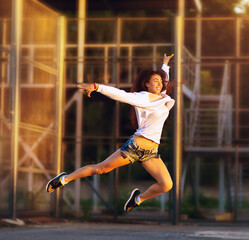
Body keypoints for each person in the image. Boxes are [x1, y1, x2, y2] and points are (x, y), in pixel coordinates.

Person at [46, 53, 175, 212]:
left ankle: (138, 199)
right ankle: (64, 179)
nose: (160, 83)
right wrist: (97, 86)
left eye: (161, 82)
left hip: (151, 152)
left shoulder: (162, 97)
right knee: (101, 169)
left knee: (167, 184)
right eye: (155, 81)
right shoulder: (142, 98)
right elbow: (120, 94)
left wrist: (165, 65)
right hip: (134, 147)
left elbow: (165, 79)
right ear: (147, 84)